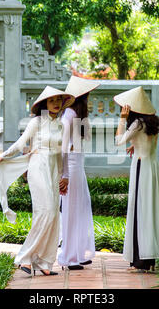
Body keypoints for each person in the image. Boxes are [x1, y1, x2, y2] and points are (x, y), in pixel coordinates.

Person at [0, 86, 75, 276]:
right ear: (44, 104)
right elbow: (21, 143)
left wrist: (65, 176)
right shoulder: (37, 122)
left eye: (58, 100)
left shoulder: (62, 125)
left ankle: (45, 262)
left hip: (54, 170)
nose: (56, 104)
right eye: (51, 100)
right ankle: (24, 257)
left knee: (54, 215)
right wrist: (4, 155)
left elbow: (62, 154)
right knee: (44, 212)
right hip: (38, 166)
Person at [113, 86, 159, 272]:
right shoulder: (152, 121)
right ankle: (148, 260)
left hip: (141, 167)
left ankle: (139, 261)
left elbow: (118, 141)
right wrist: (135, 146)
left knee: (138, 211)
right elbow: (148, 144)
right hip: (151, 166)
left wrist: (121, 120)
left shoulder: (137, 124)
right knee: (148, 210)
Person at [58, 76, 100, 270]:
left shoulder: (77, 114)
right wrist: (64, 175)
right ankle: (70, 256)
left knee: (80, 207)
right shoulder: (69, 114)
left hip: (78, 166)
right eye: (88, 96)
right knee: (72, 211)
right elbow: (63, 147)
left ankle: (78, 252)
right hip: (71, 167)